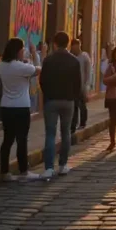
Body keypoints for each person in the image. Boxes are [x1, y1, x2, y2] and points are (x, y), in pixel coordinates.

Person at [0, 37, 41, 182]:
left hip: (6, 107)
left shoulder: (1, 65)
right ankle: (23, 171)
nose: (24, 52)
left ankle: (4, 172)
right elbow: (38, 69)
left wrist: (25, 62)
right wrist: (35, 54)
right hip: (21, 107)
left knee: (7, 140)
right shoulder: (22, 68)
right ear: (17, 51)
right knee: (22, 139)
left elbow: (16, 67)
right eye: (23, 49)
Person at [39, 32, 81, 178]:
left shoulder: (48, 60)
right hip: (68, 101)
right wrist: (73, 97)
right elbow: (78, 84)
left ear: (55, 44)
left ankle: (49, 167)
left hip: (51, 100)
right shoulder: (74, 61)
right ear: (68, 43)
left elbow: (42, 81)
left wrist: (48, 94)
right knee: (66, 133)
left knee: (50, 134)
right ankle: (63, 165)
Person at [70, 39, 90, 133]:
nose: (75, 49)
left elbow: (88, 72)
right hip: (73, 86)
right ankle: (73, 125)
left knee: (82, 105)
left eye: (76, 46)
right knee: (74, 106)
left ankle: (82, 122)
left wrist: (86, 86)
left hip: (82, 85)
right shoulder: (70, 57)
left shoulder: (85, 57)